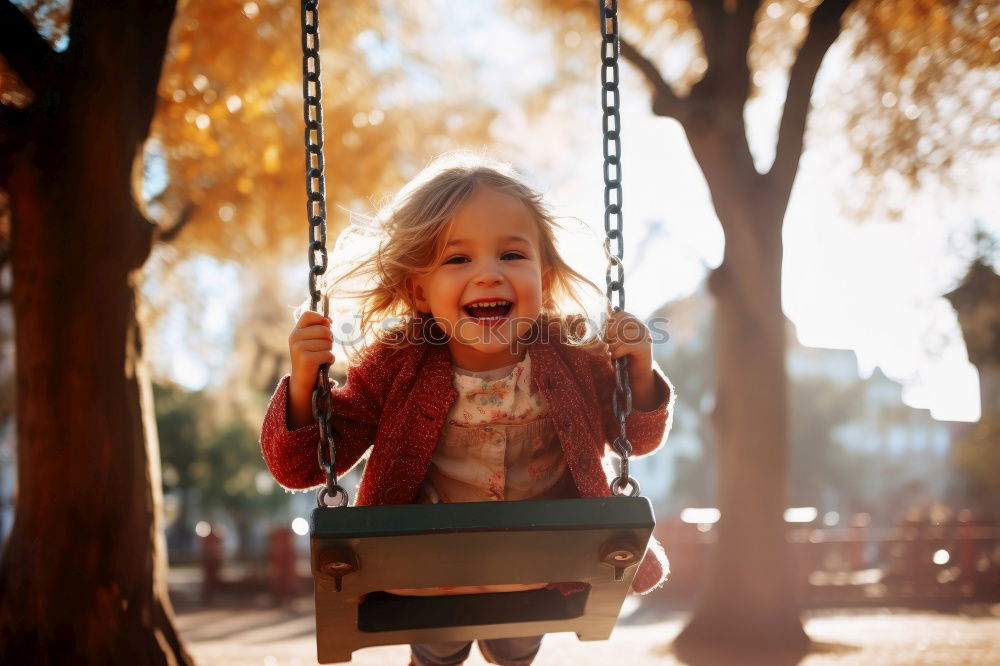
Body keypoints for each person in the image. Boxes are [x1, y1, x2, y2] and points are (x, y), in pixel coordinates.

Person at [260, 152, 676, 666]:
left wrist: (637, 370)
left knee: (517, 641)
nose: (487, 275)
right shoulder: (397, 364)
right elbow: (302, 466)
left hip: (540, 566)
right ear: (419, 289)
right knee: (439, 645)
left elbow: (636, 436)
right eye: (458, 260)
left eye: (512, 255)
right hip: (429, 575)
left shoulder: (570, 354)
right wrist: (305, 385)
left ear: (543, 277)